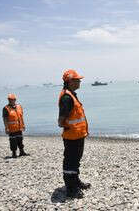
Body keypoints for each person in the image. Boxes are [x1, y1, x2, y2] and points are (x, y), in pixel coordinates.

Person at [58, 69, 91, 198]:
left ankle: (75, 181)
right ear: (70, 81)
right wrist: (69, 127)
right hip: (72, 136)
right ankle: (71, 189)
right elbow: (61, 120)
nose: (79, 82)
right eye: (77, 80)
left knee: (76, 161)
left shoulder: (72, 94)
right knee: (70, 162)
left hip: (77, 135)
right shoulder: (67, 97)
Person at [2, 93, 28, 158]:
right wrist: (6, 128)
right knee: (13, 141)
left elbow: (21, 117)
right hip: (11, 128)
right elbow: (5, 119)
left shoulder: (19, 106)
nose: (10, 100)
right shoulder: (6, 108)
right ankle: (14, 153)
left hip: (19, 127)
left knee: (20, 139)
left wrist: (23, 125)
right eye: (9, 99)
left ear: (15, 99)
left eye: (12, 99)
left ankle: (22, 152)